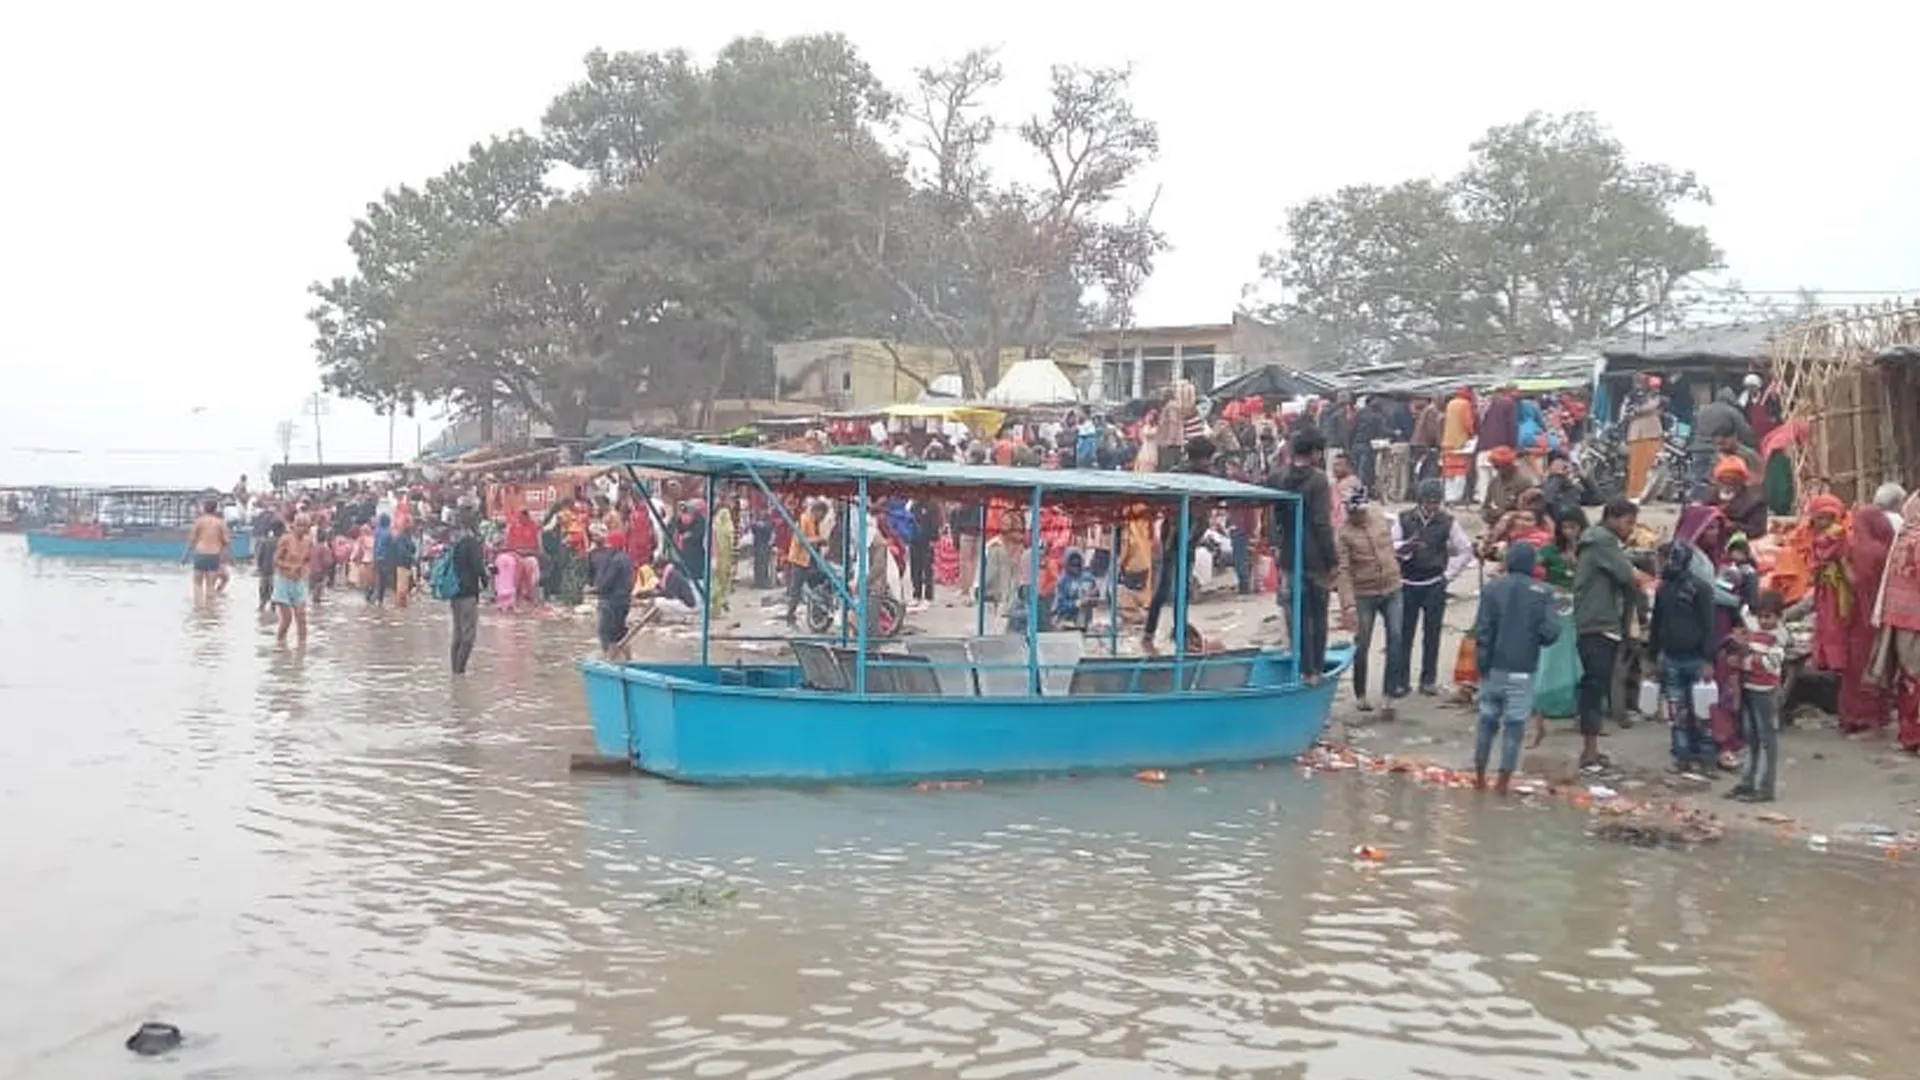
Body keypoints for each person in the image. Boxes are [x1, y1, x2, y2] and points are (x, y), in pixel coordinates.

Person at [1472, 541, 1560, 793]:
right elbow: (1552, 632)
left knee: (1486, 723)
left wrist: (1482, 667)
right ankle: (1502, 785)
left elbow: (1483, 631)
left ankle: (1479, 779)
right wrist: (1534, 635)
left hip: (1493, 668)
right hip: (1523, 668)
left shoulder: (1492, 588)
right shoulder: (1543, 592)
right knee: (1514, 728)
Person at [1572, 498, 1642, 772]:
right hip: (1597, 623)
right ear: (1612, 518)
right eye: (1628, 522)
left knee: (1595, 686)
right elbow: (1626, 575)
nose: (1630, 529)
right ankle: (1589, 752)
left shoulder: (1598, 541)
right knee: (1594, 687)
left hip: (1598, 621)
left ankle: (1591, 749)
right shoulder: (1602, 541)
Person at [1391, 479, 1474, 696]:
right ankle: (1401, 681)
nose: (1432, 506)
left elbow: (1466, 550)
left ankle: (1428, 680)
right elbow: (1391, 546)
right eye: (1428, 502)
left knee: (1432, 634)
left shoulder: (1447, 522)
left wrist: (1447, 576)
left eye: (1436, 502)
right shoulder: (1404, 519)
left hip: (1434, 584)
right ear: (1420, 500)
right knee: (1404, 633)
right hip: (1407, 583)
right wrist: (1405, 547)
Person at [1141, 437, 1217, 654]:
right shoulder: (1178, 474)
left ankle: (1178, 634)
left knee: (1180, 588)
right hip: (1174, 535)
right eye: (1207, 460)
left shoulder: (1208, 477)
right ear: (1199, 459)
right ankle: (1150, 634)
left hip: (1191, 536)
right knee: (1166, 587)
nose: (1209, 464)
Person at [1332, 488, 1403, 713]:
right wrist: (1348, 604)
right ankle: (1360, 693)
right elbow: (1342, 571)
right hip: (1364, 593)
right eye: (1354, 514)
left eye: (1361, 512)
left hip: (1392, 587)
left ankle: (1389, 693)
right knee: (1362, 643)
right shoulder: (1343, 534)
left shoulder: (1379, 516)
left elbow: (1392, 543)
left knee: (1396, 637)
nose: (1359, 517)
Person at [1650, 539, 1717, 776]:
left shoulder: (1701, 588)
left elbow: (1710, 627)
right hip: (1672, 658)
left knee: (1702, 713)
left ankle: (1706, 758)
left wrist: (1709, 660)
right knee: (1678, 712)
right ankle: (1683, 757)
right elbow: (1656, 625)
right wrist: (1653, 656)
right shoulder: (1664, 589)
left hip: (1696, 659)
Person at [1276, 428, 1337, 682]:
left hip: (1289, 556)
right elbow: (1322, 523)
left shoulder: (1279, 477)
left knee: (1296, 616)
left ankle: (1302, 670)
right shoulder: (1318, 480)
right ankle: (1315, 670)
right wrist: (1332, 560)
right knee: (1318, 616)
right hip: (1314, 559)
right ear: (1314, 452)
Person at [1727, 590, 1787, 801]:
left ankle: (1765, 787)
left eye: (1768, 617)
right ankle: (1747, 782)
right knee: (1750, 736)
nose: (1763, 621)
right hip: (1750, 688)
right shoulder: (1756, 633)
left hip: (1765, 692)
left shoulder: (1778, 637)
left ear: (1778, 617)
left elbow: (1771, 664)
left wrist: (1749, 657)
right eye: (1761, 616)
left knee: (1765, 740)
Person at [1688, 388, 1754, 500]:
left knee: (1698, 477)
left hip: (1698, 448)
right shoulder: (1732, 412)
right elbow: (1745, 431)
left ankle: (1696, 501)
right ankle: (1712, 500)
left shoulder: (1703, 410)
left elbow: (1692, 428)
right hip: (1717, 449)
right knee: (1717, 476)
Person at [447, 511, 488, 675]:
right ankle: (460, 672)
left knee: (457, 634)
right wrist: (485, 581)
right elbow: (478, 567)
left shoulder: (455, 543)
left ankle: (454, 673)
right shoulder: (472, 543)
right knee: (468, 637)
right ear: (474, 525)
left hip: (455, 593)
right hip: (468, 593)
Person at [271, 513, 316, 647]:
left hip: (299, 581)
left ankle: (302, 646)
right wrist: (290, 567)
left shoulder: (308, 542)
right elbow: (276, 560)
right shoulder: (286, 539)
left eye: (307, 527)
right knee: (287, 619)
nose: (304, 529)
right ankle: (280, 644)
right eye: (301, 526)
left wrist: (305, 569)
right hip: (283, 580)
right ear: (294, 526)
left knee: (301, 617)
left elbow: (308, 560)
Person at [785, 499, 830, 625]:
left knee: (817, 587)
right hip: (799, 560)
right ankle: (790, 618)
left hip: (811, 559)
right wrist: (818, 540)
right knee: (796, 590)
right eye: (822, 515)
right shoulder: (804, 519)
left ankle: (818, 616)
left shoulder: (815, 522)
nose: (822, 518)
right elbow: (801, 540)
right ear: (817, 511)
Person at [594, 530, 636, 660]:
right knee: (619, 632)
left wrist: (596, 589)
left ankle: (609, 657)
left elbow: (607, 581)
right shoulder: (626, 558)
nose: (607, 545)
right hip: (623, 601)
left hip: (611, 601)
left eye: (609, 542)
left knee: (605, 631)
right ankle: (627, 659)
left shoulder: (615, 560)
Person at [1624, 375, 1666, 498]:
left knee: (1651, 465)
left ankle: (1647, 493)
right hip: (1637, 434)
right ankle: (1634, 492)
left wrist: (1636, 410)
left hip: (1651, 433)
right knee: (1636, 467)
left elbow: (1652, 406)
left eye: (1641, 382)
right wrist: (1635, 410)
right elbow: (1626, 412)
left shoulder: (1654, 395)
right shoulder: (1631, 396)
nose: (1639, 384)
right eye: (1637, 382)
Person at [184, 498, 230, 603]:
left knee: (197, 584)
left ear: (204, 508)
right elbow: (226, 543)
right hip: (214, 556)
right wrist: (229, 559)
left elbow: (192, 540)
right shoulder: (220, 523)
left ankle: (198, 610)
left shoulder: (199, 521)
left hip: (200, 554)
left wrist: (185, 557)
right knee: (210, 586)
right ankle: (210, 612)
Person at [254, 516, 284, 613]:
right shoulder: (283, 543)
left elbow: (259, 557)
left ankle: (262, 613)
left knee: (263, 598)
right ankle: (272, 614)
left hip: (265, 572)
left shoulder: (265, 542)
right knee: (274, 599)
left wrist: (259, 569)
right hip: (277, 573)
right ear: (281, 530)